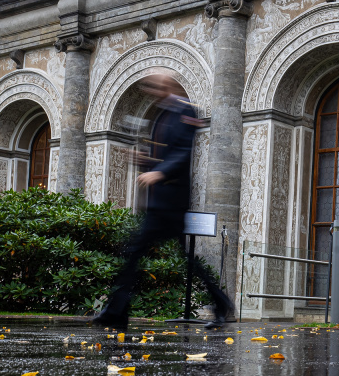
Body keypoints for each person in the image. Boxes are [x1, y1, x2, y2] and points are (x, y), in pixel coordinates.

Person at [92, 73, 233, 330]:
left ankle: (117, 311)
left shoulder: (185, 111)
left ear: (168, 86)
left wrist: (160, 172)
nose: (151, 91)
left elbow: (183, 153)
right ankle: (221, 303)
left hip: (171, 202)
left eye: (154, 86)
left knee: (135, 252)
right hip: (159, 202)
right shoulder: (160, 115)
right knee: (174, 257)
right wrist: (143, 161)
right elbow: (164, 155)